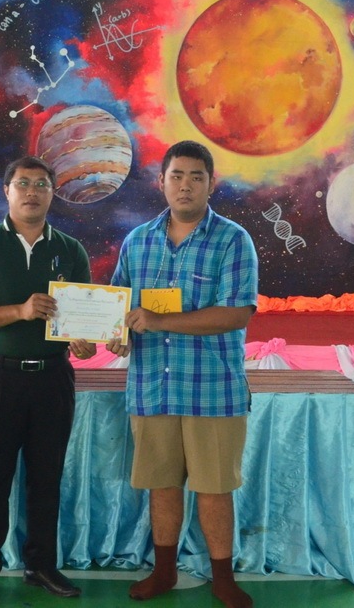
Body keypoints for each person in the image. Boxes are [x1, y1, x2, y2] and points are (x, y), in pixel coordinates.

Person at [107, 140, 259, 608]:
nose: (185, 185)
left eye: (196, 177)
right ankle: (165, 571)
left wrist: (158, 321)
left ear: (212, 184)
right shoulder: (138, 241)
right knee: (162, 485)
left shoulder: (233, 240)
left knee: (214, 489)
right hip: (152, 386)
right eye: (176, 176)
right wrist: (114, 334)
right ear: (161, 182)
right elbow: (117, 307)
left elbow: (236, 313)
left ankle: (222, 578)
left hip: (212, 389)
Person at [0, 156, 97, 608]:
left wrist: (83, 341)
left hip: (53, 378)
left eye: (41, 184)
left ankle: (41, 565)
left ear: (53, 193)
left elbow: (81, 320)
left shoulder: (71, 250)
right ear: (7, 191)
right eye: (23, 184)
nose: (32, 192)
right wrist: (21, 310)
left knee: (46, 476)